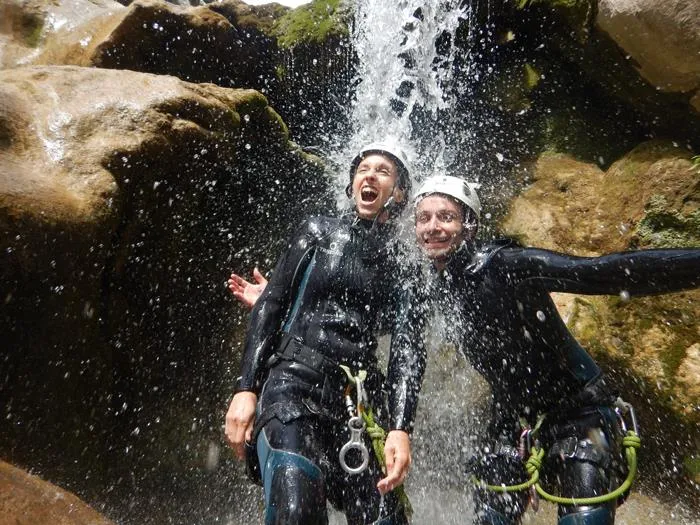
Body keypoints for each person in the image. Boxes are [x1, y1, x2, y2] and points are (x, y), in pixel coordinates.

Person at [230, 174, 699, 525]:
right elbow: (374, 320)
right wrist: (290, 302)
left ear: (469, 224)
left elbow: (602, 272)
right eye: (425, 219)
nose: (433, 228)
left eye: (447, 217)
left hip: (578, 415)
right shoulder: (429, 286)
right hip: (513, 422)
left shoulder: (506, 265)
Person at [224, 142, 426, 525]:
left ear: (399, 193)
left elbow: (407, 348)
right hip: (292, 388)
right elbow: (272, 304)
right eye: (363, 168)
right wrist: (245, 389)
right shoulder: (317, 231)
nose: (370, 175)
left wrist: (400, 429)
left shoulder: (405, 264)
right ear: (351, 184)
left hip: (357, 404)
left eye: (383, 171)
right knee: (298, 511)